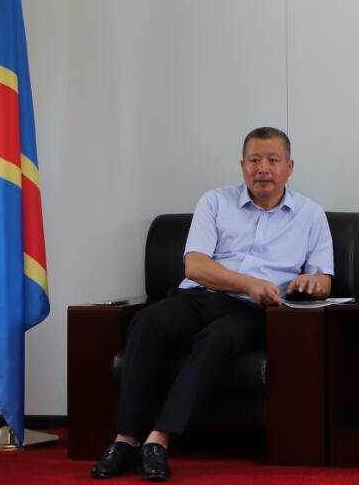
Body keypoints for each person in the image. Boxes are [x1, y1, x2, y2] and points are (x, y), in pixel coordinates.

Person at [90, 127, 334, 481]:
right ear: (242, 165)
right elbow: (195, 266)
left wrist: (312, 284)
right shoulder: (215, 202)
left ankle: (157, 441)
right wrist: (249, 283)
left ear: (289, 167)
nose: (263, 169)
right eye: (254, 160)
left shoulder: (310, 215)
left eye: (272, 160)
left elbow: (324, 280)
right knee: (147, 321)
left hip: (254, 312)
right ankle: (125, 440)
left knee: (218, 338)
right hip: (200, 296)